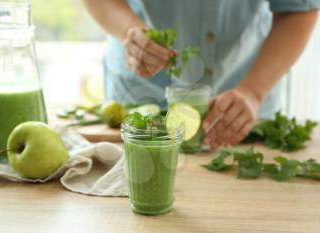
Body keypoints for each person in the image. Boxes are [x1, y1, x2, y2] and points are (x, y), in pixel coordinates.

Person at [84, 0, 319, 150]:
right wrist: (130, 32)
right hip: (141, 96)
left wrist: (253, 92)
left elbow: (297, 10)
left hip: (244, 103)